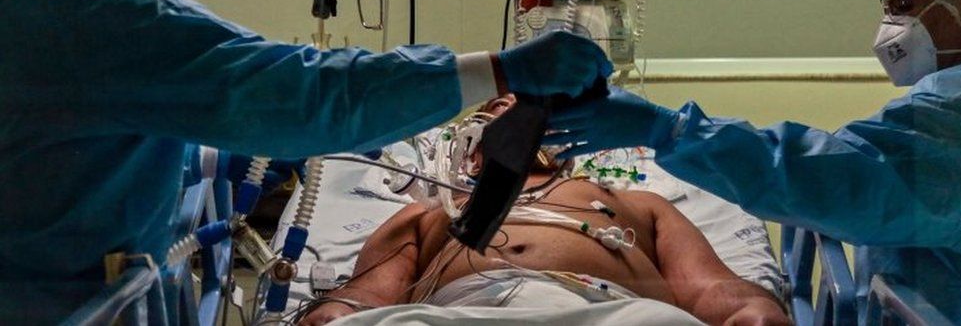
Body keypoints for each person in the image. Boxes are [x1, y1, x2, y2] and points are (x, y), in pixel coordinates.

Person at [0, 0, 612, 324]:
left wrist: (197, 154)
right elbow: (309, 94)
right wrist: (497, 71)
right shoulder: (117, 19)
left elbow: (61, 134)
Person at [546, 0, 961, 324]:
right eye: (887, 9)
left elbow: (838, 177)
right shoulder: (946, 98)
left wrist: (672, 132)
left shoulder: (959, 112)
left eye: (902, 7)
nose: (891, 27)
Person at [297, 95, 789, 326]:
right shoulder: (432, 212)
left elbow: (709, 286)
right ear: (469, 149)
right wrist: (336, 313)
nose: (521, 112)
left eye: (536, 111)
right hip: (462, 315)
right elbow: (368, 296)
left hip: (613, 314)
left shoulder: (638, 205)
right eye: (500, 107)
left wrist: (754, 309)